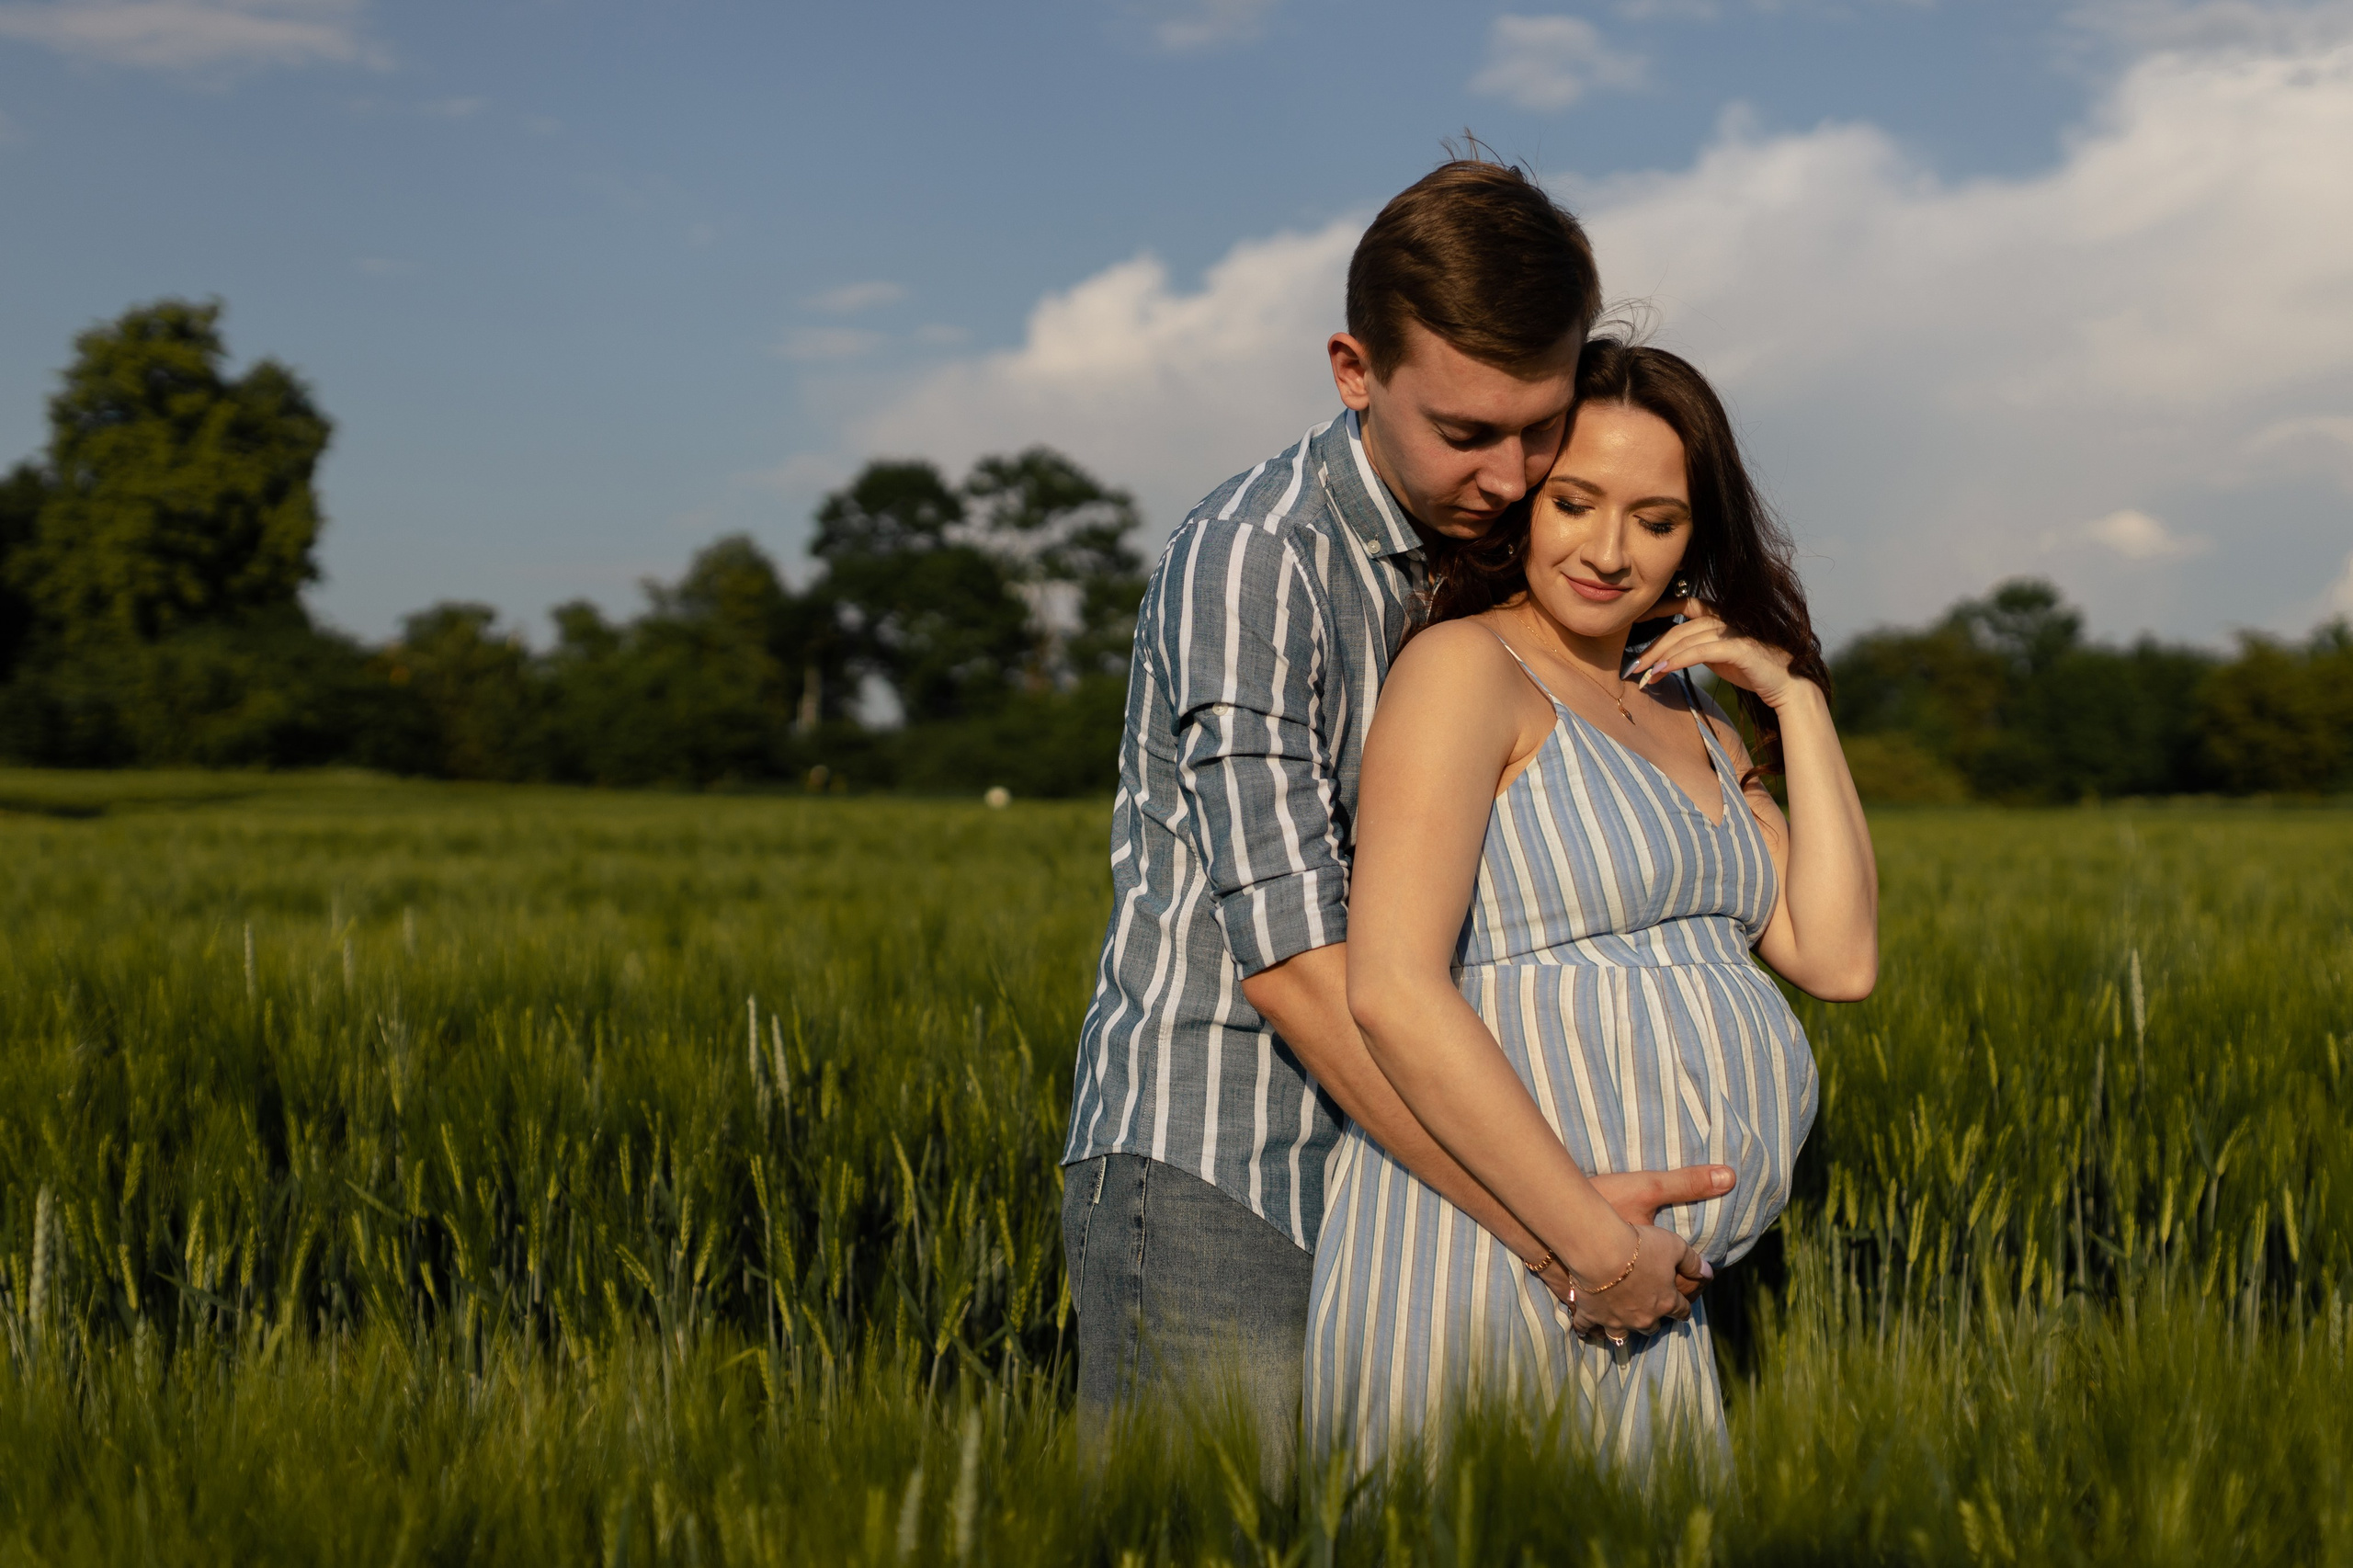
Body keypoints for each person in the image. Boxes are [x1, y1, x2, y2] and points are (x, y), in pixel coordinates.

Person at [1058, 158, 1736, 1475]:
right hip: (1228, 1162)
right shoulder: (1257, 558)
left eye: (1541, 427)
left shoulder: (1515, 551)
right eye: (1467, 431)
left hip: (1438, 1174)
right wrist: (1571, 1236)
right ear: (1353, 369)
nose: (1513, 471)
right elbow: (1302, 967)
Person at [1306, 337, 1880, 1473]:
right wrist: (1578, 1235)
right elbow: (1392, 987)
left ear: (1695, 534)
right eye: (1576, 502)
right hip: (1495, 1250)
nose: (1610, 551)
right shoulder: (1464, 671)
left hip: (1648, 1288)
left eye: (1656, 519)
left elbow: (1837, 953)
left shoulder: (1699, 724)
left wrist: (1794, 698)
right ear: (1524, 500)